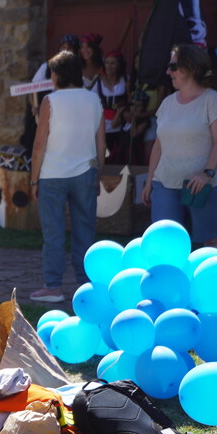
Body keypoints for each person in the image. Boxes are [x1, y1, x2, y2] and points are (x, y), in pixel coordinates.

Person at [29, 50, 105, 303]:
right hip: (86, 173)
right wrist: (99, 173)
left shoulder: (50, 101)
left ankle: (53, 286)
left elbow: (39, 144)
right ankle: (86, 285)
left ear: (58, 75)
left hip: (52, 175)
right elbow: (100, 140)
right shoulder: (94, 99)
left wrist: (33, 178)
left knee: (54, 233)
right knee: (85, 231)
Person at [143, 44, 217, 252]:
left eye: (173, 67)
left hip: (202, 184)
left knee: (210, 240)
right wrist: (149, 182)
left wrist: (206, 174)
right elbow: (159, 144)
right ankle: (169, 284)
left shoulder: (212, 100)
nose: (167, 72)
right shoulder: (166, 103)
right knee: (164, 240)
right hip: (165, 182)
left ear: (190, 68)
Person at [94, 51, 129, 161]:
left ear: (119, 65)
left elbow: (131, 100)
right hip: (104, 127)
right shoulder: (98, 82)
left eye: (113, 63)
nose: (109, 66)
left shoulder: (126, 80)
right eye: (107, 63)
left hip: (122, 127)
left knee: (120, 159)